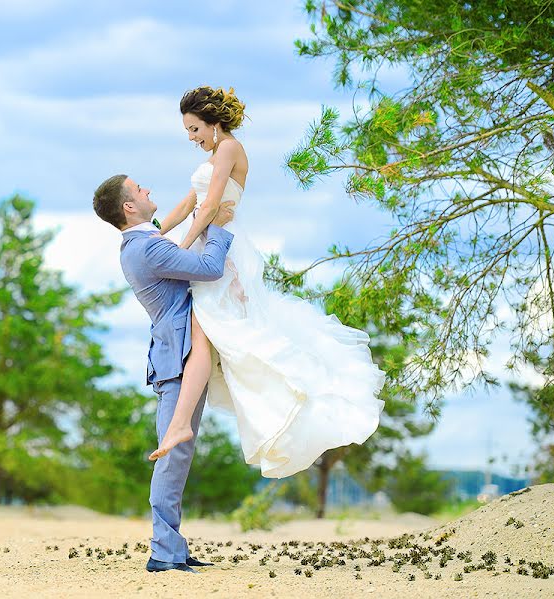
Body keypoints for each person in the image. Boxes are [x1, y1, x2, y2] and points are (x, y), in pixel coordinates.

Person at [149, 85, 387, 477]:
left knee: (214, 329)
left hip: (223, 247)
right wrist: (158, 232)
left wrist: (182, 249)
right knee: (212, 332)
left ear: (212, 122)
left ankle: (186, 424)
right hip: (208, 241)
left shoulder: (228, 148)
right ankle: (182, 424)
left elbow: (210, 207)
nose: (191, 138)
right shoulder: (213, 153)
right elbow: (189, 203)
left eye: (194, 129)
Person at [93, 174, 235, 573]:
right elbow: (208, 268)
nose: (148, 191)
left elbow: (183, 211)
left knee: (179, 453)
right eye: (139, 190)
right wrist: (220, 227)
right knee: (172, 453)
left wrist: (207, 181)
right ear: (128, 208)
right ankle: (163, 553)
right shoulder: (145, 249)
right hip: (178, 353)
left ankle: (171, 546)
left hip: (183, 349)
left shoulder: (145, 239)